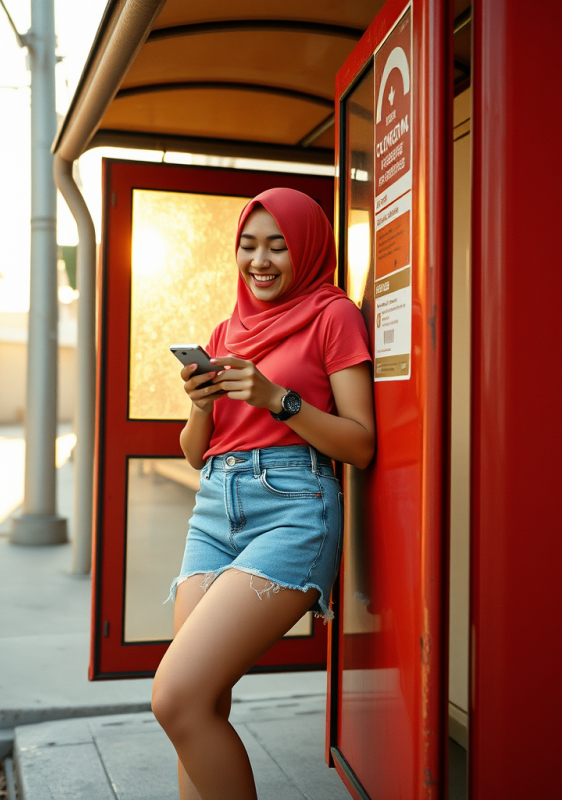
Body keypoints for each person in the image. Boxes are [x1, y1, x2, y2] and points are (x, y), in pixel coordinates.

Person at [151, 187, 375, 800]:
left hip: (293, 508)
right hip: (214, 510)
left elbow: (359, 443)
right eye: (249, 245)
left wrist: (276, 397)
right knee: (200, 705)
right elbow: (198, 452)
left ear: (305, 250)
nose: (261, 260)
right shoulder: (229, 326)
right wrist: (200, 407)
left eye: (278, 245)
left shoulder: (333, 315)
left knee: (175, 697)